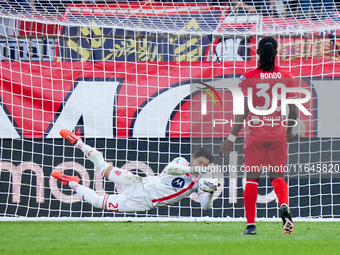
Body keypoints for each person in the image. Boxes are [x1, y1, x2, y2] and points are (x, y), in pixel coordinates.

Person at [219, 36, 298, 235]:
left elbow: (243, 111)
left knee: (252, 180)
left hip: (255, 135)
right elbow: (293, 110)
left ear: (257, 53)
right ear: (277, 52)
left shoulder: (248, 77)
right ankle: (284, 205)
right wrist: (288, 130)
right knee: (277, 176)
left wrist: (231, 138)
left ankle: (251, 225)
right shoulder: (286, 76)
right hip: (278, 134)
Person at [52, 129, 218, 213]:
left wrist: (209, 193)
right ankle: (78, 142)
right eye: (200, 163)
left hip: (141, 203)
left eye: (205, 166)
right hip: (139, 184)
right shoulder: (181, 162)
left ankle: (71, 182)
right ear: (193, 159)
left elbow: (205, 207)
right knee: (101, 166)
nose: (201, 168)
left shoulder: (198, 184)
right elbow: (171, 169)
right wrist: (193, 168)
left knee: (97, 201)